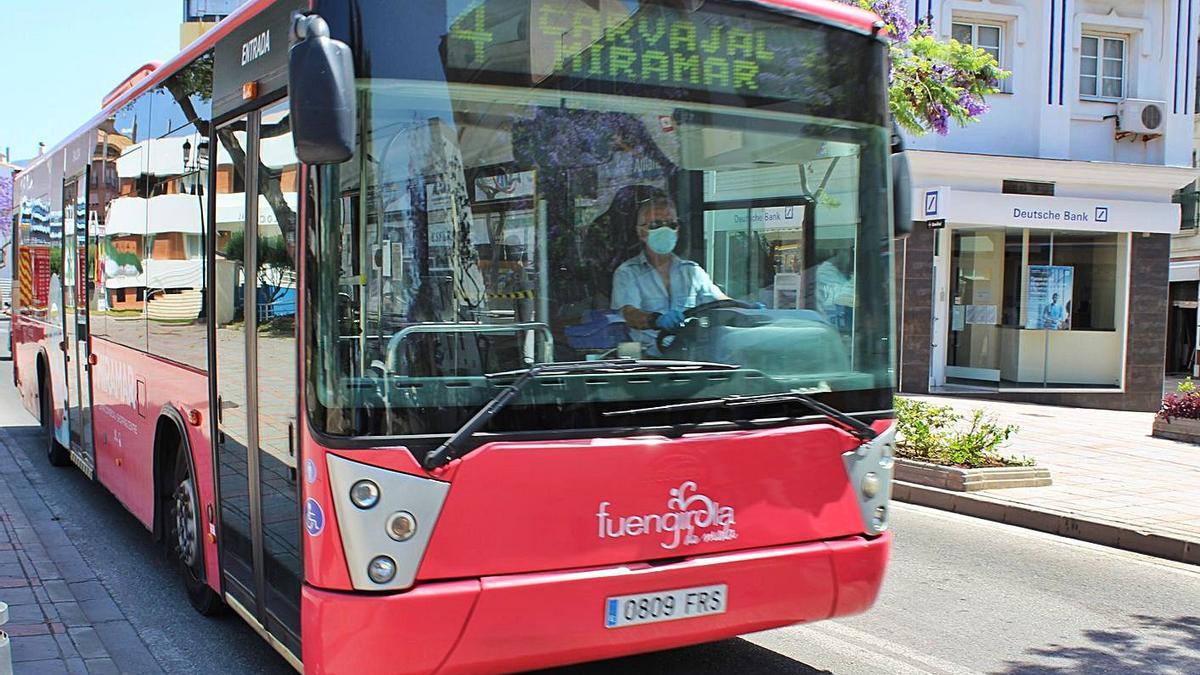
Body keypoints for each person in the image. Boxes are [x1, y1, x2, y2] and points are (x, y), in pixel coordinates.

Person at [611, 192, 727, 355]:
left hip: (692, 358)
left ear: (677, 230)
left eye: (671, 224)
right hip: (648, 362)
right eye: (655, 224)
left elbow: (720, 302)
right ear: (641, 232)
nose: (664, 230)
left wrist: (749, 310)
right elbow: (630, 314)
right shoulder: (627, 273)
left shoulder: (692, 271)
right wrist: (656, 320)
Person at [814, 248, 855, 332]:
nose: (851, 257)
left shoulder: (839, 272)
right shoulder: (825, 271)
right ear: (840, 251)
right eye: (848, 252)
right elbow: (845, 298)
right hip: (827, 325)